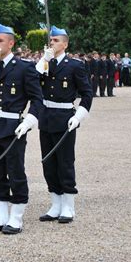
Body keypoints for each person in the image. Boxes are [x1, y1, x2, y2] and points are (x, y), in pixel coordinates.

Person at [0, 22, 43, 235]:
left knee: (15, 171)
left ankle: (16, 216)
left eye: (1, 41)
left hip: (13, 127)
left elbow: (37, 100)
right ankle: (1, 213)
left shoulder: (25, 67)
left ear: (11, 43)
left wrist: (29, 121)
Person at [35, 26, 93, 224]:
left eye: (56, 40)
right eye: (51, 40)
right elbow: (34, 82)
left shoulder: (75, 65)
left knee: (65, 162)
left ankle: (68, 205)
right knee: (48, 163)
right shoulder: (45, 63)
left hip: (65, 117)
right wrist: (44, 60)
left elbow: (87, 93)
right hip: (46, 117)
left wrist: (79, 116)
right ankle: (55, 203)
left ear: (65, 44)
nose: (52, 43)